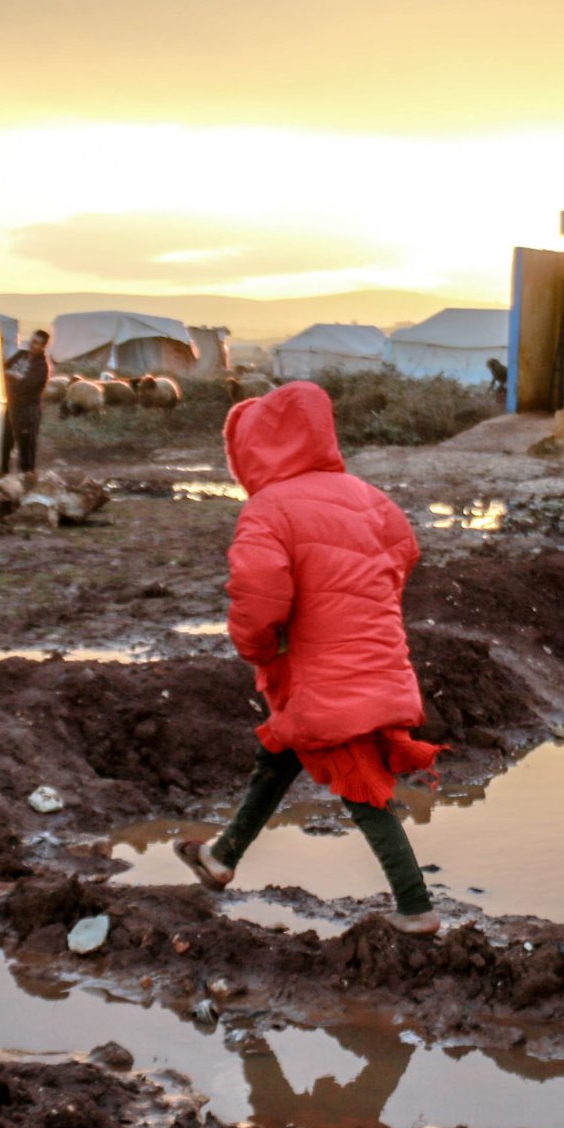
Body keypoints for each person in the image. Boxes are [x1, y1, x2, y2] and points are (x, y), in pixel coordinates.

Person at [176, 380, 442, 934]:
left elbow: (257, 593)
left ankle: (416, 910)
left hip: (323, 672)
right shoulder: (371, 497)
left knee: (359, 782)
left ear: (253, 449)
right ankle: (221, 858)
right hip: (378, 655)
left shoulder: (269, 509)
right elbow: (404, 554)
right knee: (283, 750)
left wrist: (257, 649)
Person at [0, 328, 51, 476]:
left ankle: (27, 480)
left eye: (36, 343)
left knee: (26, 448)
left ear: (43, 347)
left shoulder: (42, 366)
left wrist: (8, 377)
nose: (31, 345)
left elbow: (25, 386)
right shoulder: (21, 355)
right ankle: (3, 477)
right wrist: (12, 375)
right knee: (4, 443)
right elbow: (3, 368)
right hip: (11, 406)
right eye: (32, 341)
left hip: (27, 411)